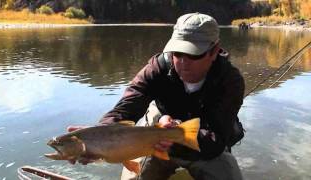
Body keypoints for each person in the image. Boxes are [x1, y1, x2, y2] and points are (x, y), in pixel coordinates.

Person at [68, 12, 245, 180]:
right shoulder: (158, 68)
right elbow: (127, 107)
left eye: (193, 54)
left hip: (203, 142)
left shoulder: (230, 81)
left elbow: (215, 141)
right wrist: (98, 136)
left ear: (214, 51)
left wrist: (175, 134)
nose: (182, 63)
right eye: (177, 53)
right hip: (153, 133)